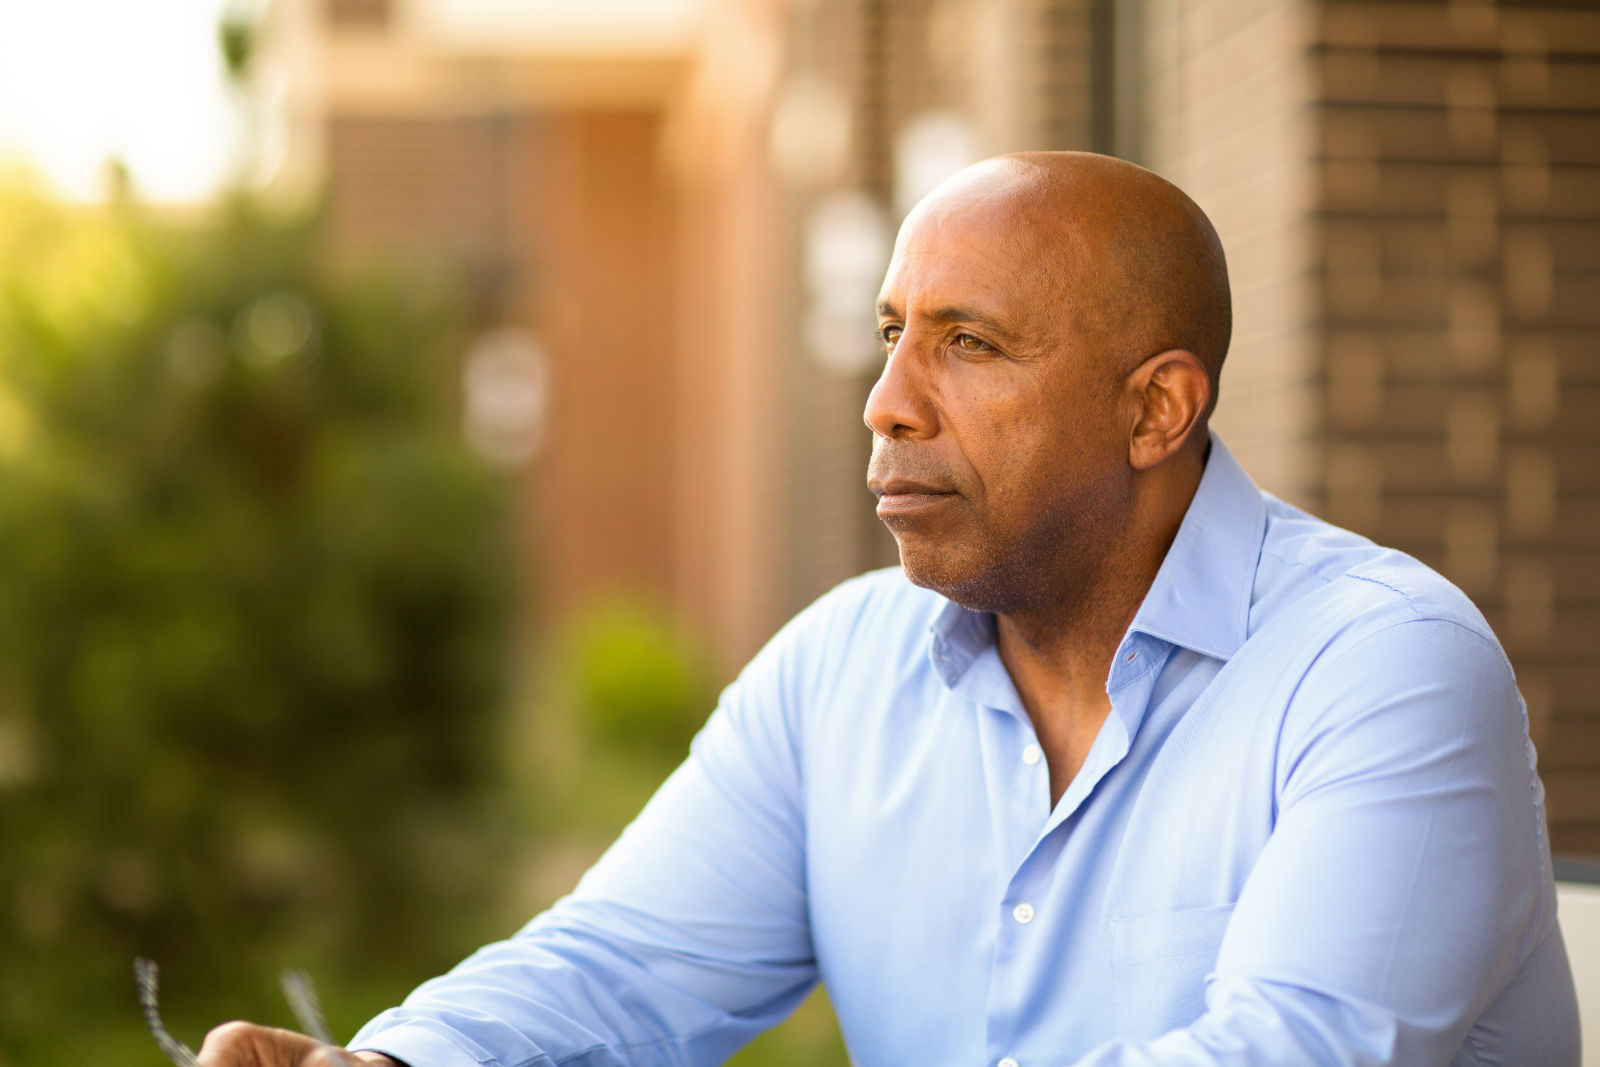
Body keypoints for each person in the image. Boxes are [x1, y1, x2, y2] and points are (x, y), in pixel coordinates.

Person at [198, 152, 1579, 1067]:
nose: (888, 402)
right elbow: (621, 967)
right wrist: (386, 1064)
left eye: (968, 345)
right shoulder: (841, 671)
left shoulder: (1381, 666)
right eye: (892, 335)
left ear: (1157, 408)